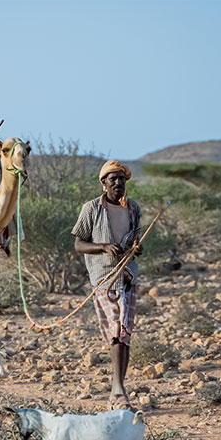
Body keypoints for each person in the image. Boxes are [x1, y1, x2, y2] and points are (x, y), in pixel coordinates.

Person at [71, 160, 143, 409]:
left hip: (128, 277)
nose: (118, 183)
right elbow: (79, 244)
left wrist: (137, 248)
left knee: (124, 333)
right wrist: (102, 246)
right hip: (104, 279)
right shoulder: (91, 208)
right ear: (103, 183)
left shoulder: (133, 209)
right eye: (112, 179)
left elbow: (136, 241)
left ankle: (118, 389)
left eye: (121, 179)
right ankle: (118, 389)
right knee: (115, 331)